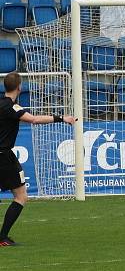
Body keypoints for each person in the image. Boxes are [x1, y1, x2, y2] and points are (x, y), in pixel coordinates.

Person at [0, 72, 75, 247]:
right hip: (4, 156)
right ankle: (2, 237)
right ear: (19, 87)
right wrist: (62, 118)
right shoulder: (12, 107)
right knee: (21, 196)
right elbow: (33, 119)